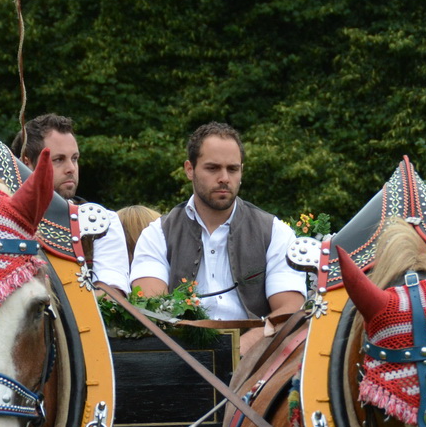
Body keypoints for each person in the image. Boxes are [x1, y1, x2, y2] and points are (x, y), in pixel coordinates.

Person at [130, 123, 305, 345]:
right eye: (212, 168)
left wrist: (244, 347)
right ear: (189, 169)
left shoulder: (275, 233)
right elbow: (150, 309)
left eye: (232, 169)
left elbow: (289, 311)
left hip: (256, 363)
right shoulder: (158, 235)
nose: (224, 178)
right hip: (181, 358)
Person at [14, 112, 132, 290]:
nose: (71, 168)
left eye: (74, 158)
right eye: (58, 160)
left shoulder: (102, 222)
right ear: (27, 164)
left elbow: (110, 296)